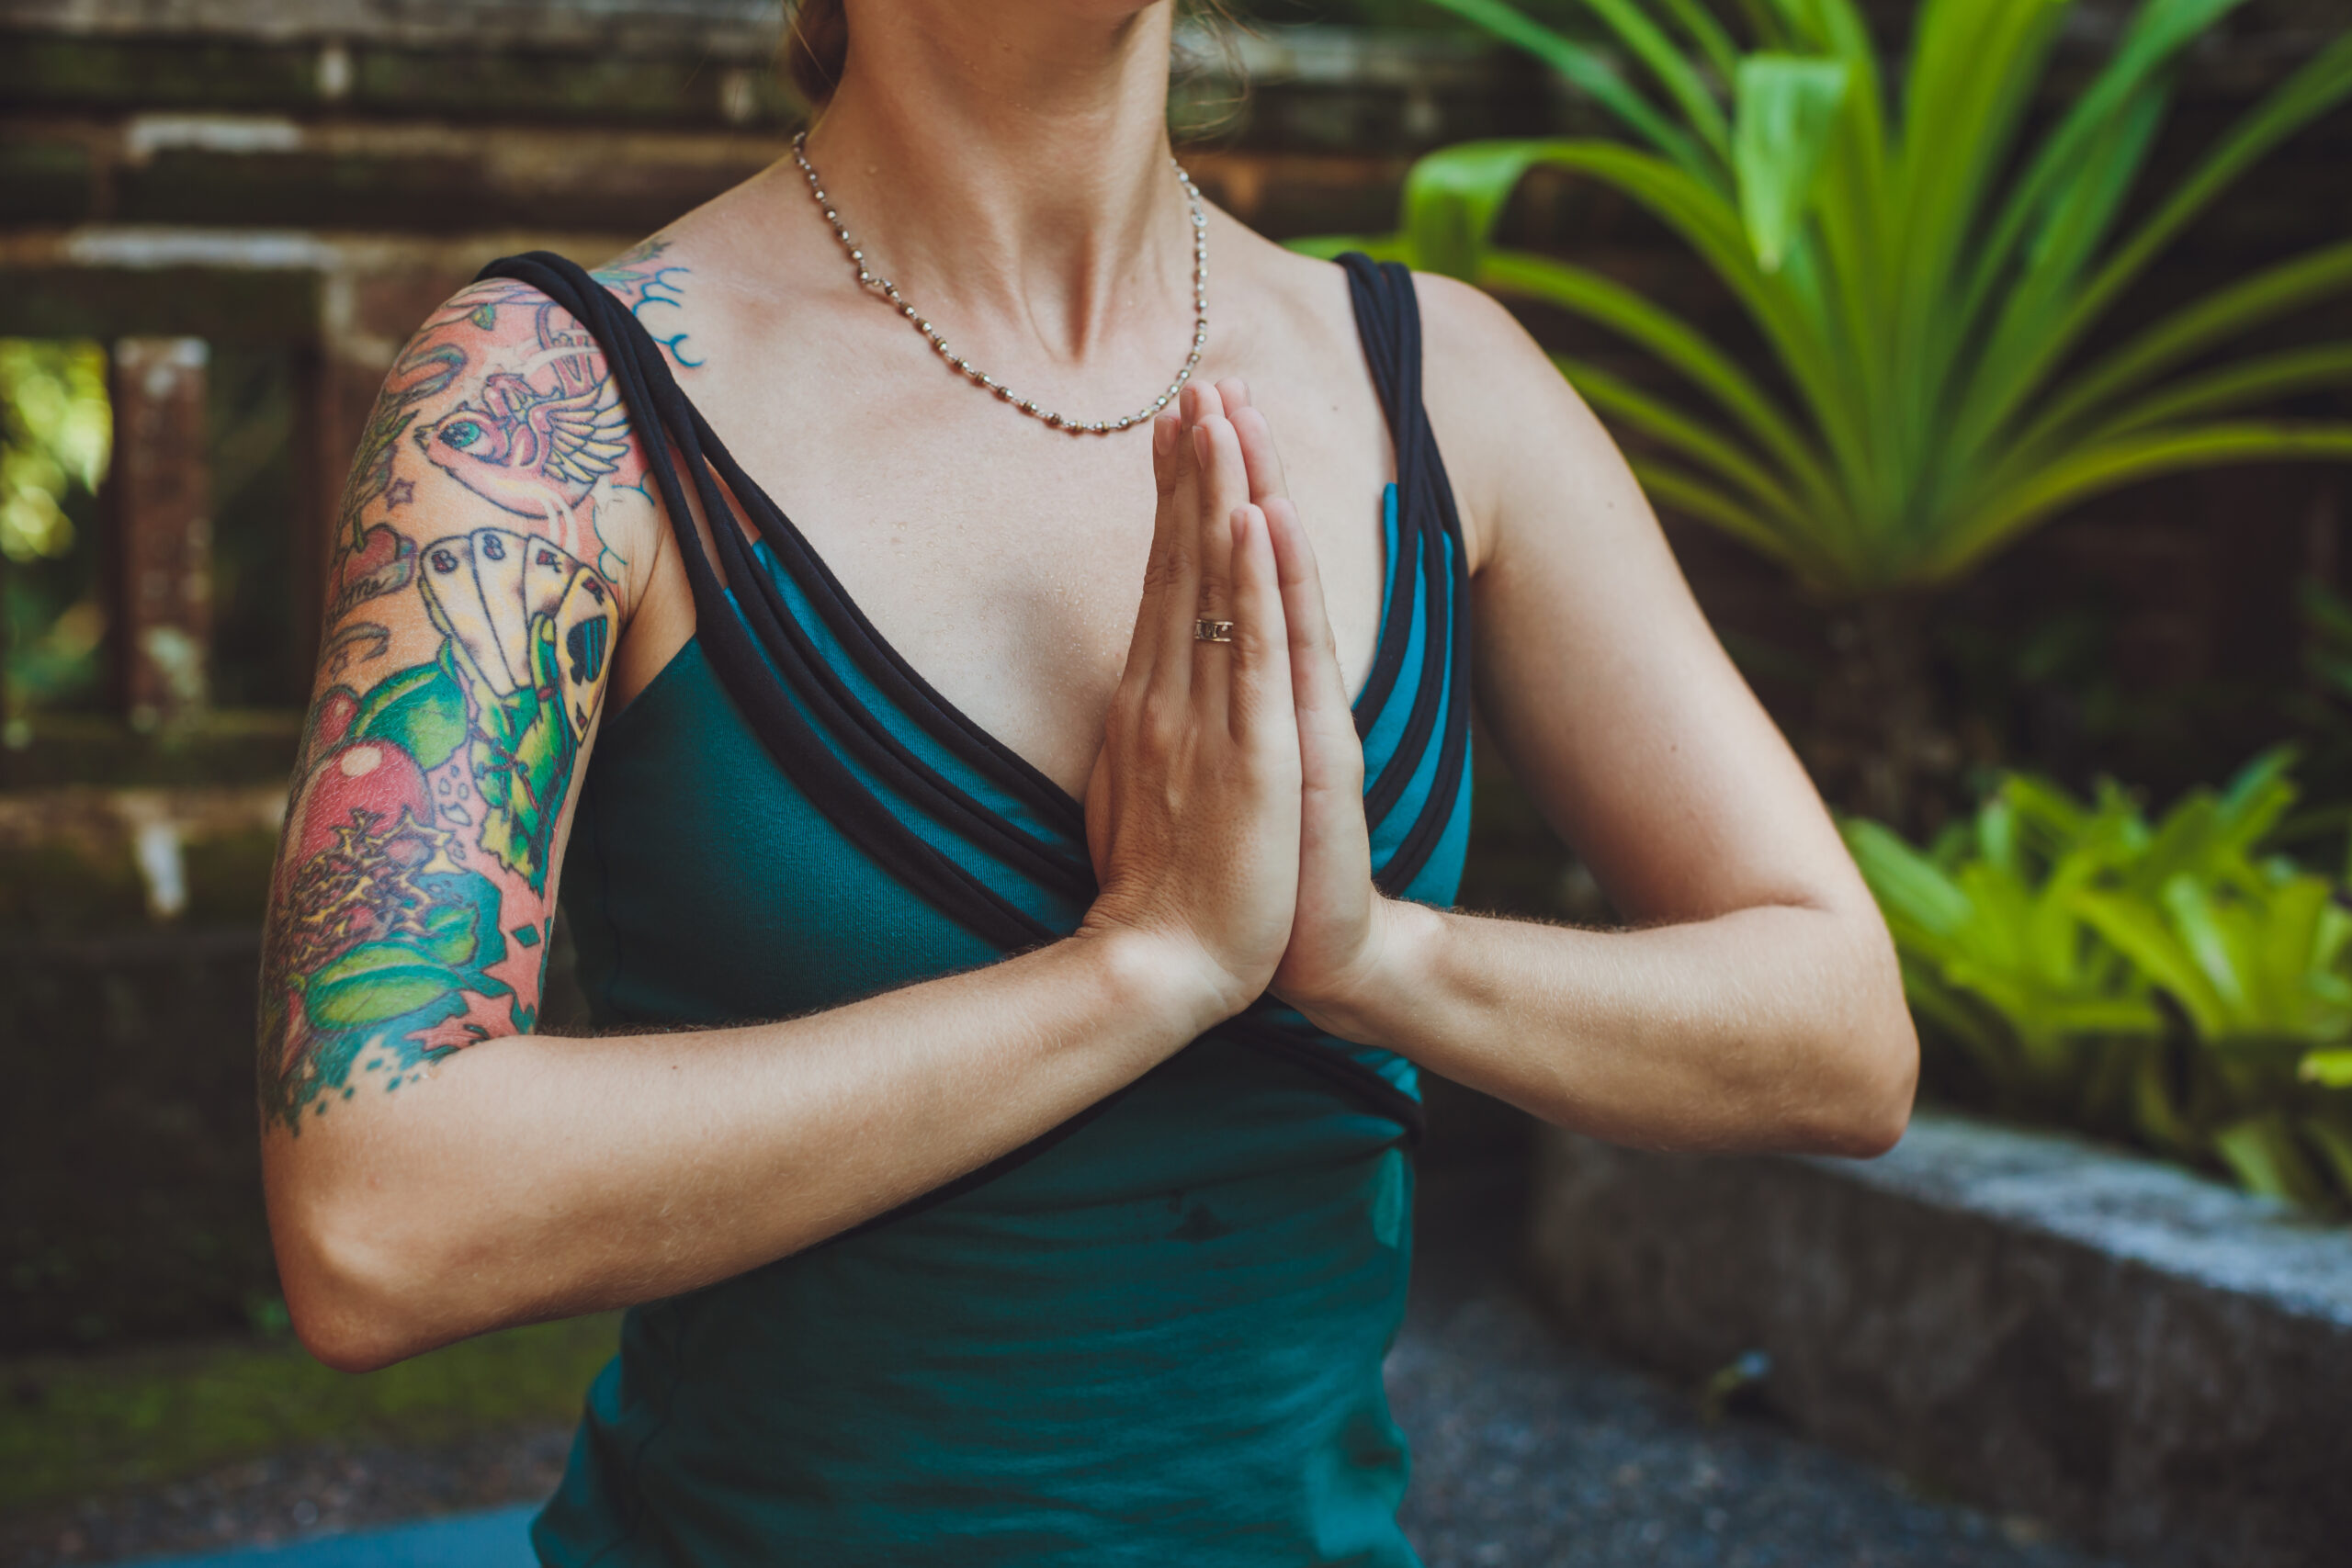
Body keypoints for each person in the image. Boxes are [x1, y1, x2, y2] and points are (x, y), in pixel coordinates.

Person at [257, 0, 1918, 1561]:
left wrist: (1372, 958)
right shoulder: (542, 405)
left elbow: (1839, 1031)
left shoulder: (1447, 381)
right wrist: (1144, 970)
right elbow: (376, 1212)